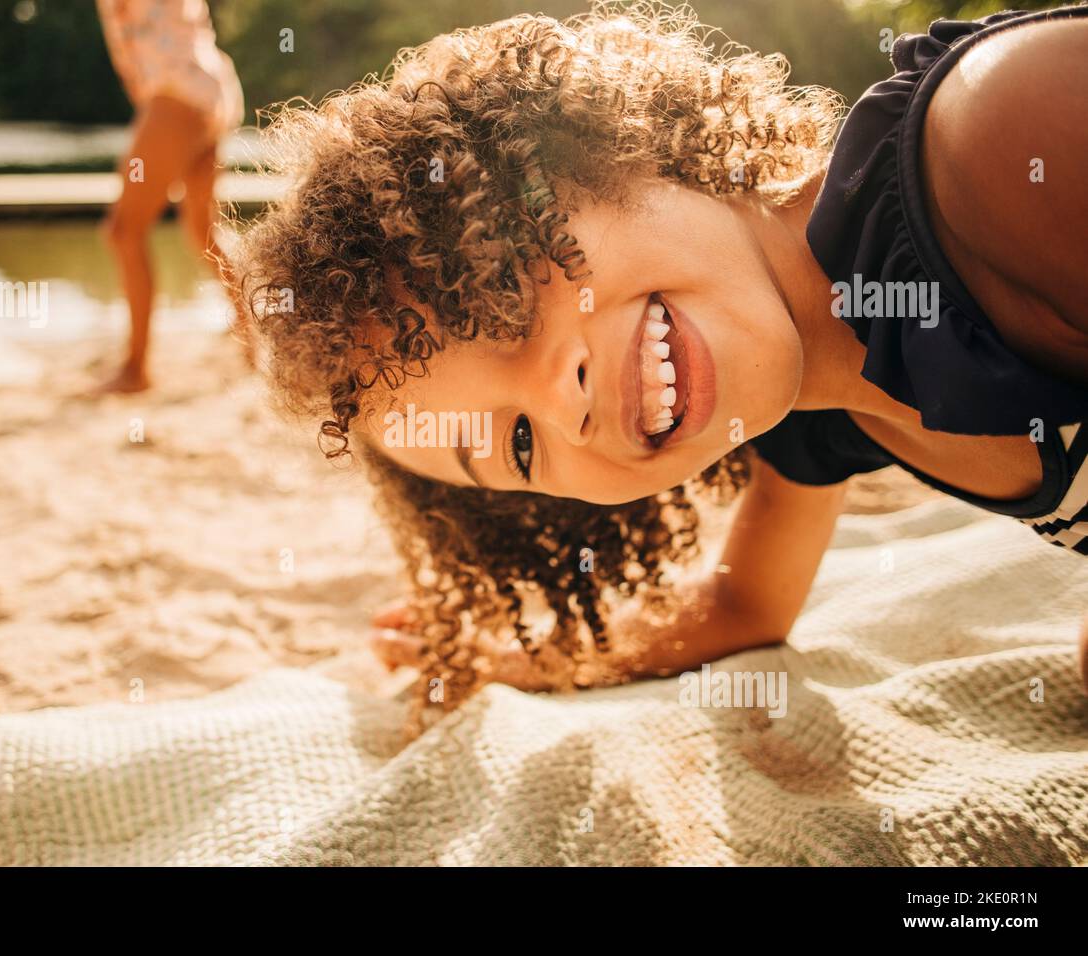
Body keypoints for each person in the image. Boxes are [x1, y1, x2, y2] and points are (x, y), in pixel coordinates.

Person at [232, 4, 1088, 705]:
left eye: (509, 302)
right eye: (519, 445)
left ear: (616, 147)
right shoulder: (818, 412)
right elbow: (745, 605)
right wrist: (523, 659)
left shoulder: (997, 142)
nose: (560, 399)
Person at [95, 0, 244, 393]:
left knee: (123, 232)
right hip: (205, 84)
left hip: (177, 89)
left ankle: (135, 370)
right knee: (202, 229)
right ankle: (252, 338)